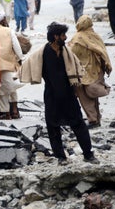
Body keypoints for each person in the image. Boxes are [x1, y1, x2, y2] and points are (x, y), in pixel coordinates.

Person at [21, 22, 99, 165]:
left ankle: (88, 154)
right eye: (63, 35)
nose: (65, 37)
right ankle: (61, 157)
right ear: (56, 36)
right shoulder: (42, 53)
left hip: (69, 96)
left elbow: (78, 68)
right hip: (52, 97)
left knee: (78, 124)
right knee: (53, 127)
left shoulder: (67, 53)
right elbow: (26, 66)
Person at [69, 15, 112, 128]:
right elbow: (103, 52)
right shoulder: (96, 36)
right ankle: (96, 117)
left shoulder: (77, 38)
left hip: (82, 73)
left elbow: (70, 54)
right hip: (97, 71)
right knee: (93, 95)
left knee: (84, 96)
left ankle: (93, 119)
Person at [0, 12, 25, 119]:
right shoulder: (9, 31)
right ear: (3, 20)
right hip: (9, 62)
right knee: (11, 86)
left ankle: (6, 112)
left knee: (1, 89)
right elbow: (16, 46)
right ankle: (14, 110)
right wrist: (20, 58)